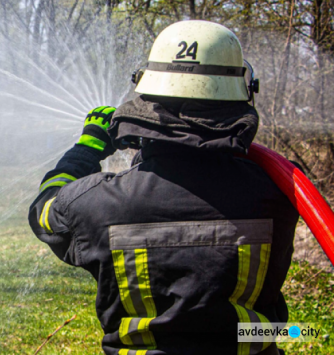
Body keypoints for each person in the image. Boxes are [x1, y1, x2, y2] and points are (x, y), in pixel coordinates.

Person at [29, 20, 297, 355]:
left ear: (146, 94)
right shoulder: (280, 193)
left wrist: (87, 148)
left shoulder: (98, 204)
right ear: (243, 92)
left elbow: (45, 208)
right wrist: (292, 331)